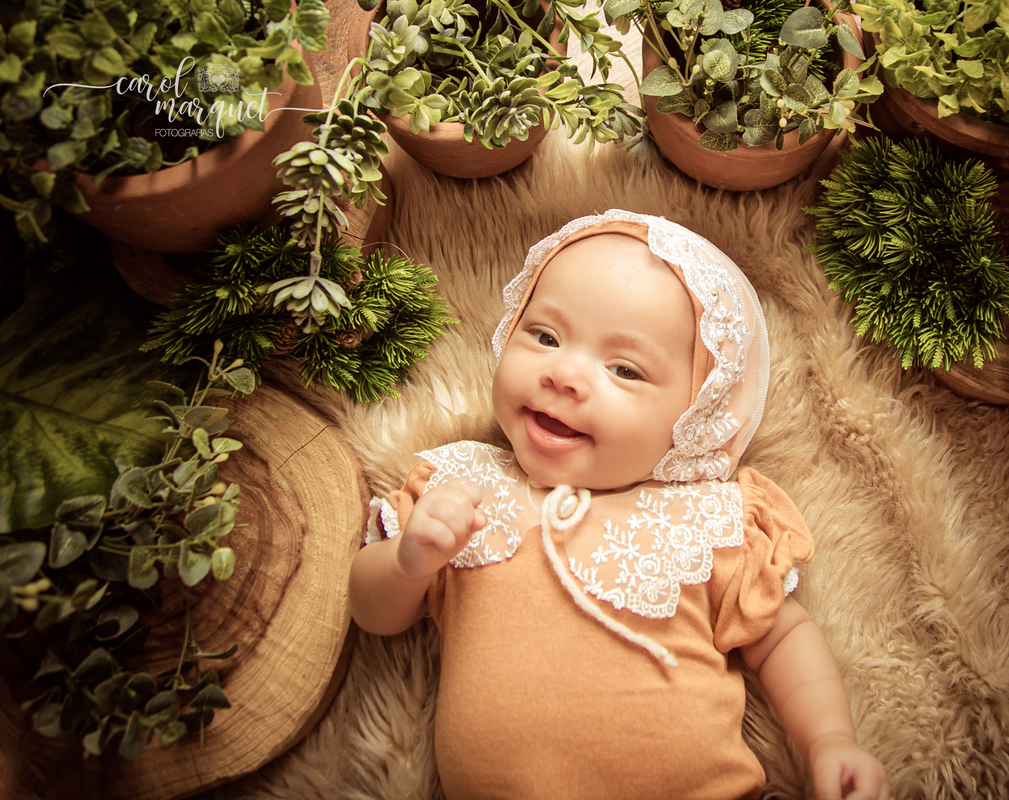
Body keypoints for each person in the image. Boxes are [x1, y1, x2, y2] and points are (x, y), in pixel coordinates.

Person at [348, 209, 891, 800]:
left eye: (625, 369)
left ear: (698, 417)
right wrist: (409, 559)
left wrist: (829, 740)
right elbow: (372, 613)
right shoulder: (462, 488)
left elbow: (782, 639)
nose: (565, 374)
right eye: (545, 336)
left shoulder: (705, 521)